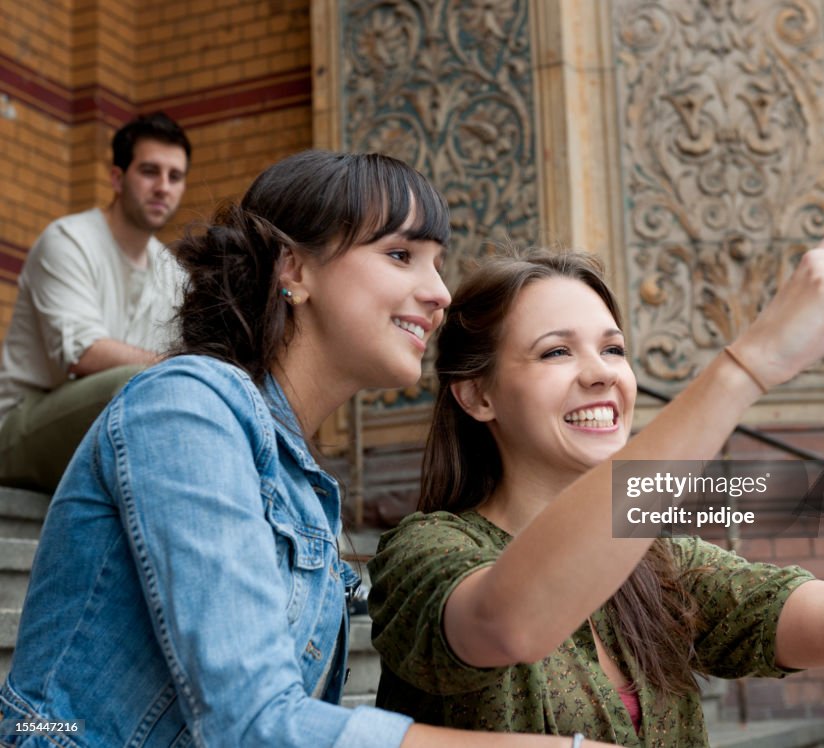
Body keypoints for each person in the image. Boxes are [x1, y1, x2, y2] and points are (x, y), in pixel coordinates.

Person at [0, 151, 613, 748]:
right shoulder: (188, 406)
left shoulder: (301, 479)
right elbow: (256, 724)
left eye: (613, 349)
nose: (440, 293)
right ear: (293, 269)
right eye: (401, 255)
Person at [369, 220, 824, 747]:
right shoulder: (424, 553)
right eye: (556, 351)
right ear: (477, 395)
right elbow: (510, 622)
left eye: (614, 349)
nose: (602, 375)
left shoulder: (659, 560)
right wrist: (751, 363)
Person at [0, 111, 191, 492]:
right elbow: (83, 353)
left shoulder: (173, 271)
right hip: (20, 426)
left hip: (112, 421)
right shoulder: (68, 241)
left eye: (175, 177)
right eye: (150, 171)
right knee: (148, 382)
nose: (163, 188)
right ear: (117, 178)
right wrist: (178, 367)